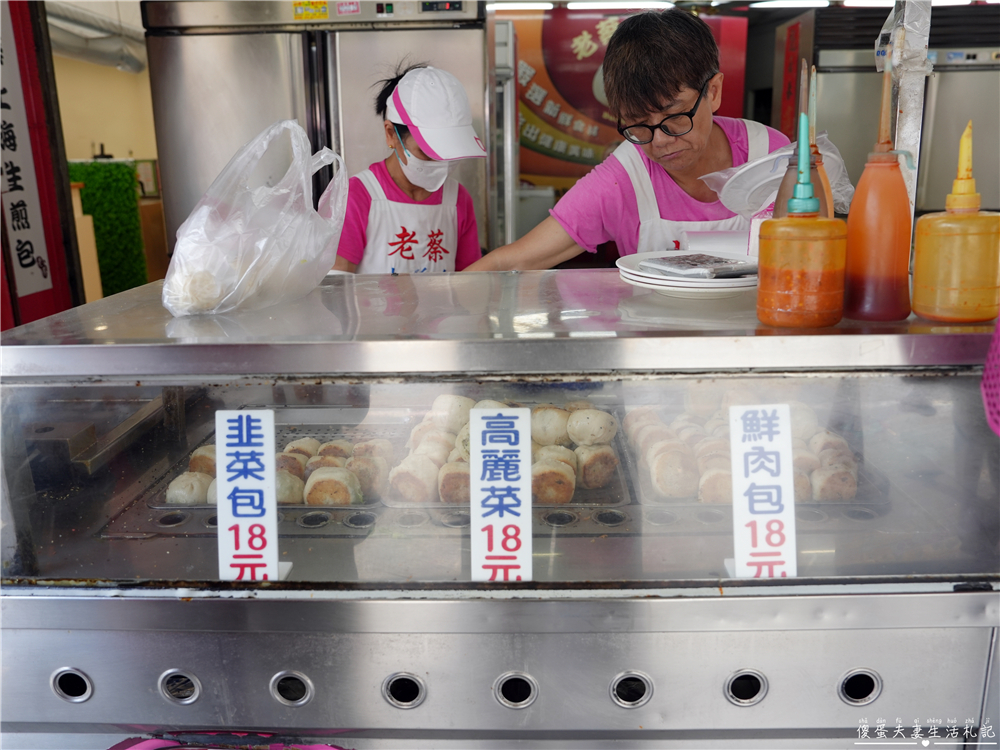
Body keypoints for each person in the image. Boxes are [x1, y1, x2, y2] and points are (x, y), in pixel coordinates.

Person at [463, 9, 790, 272]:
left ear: (713, 91)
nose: (660, 142)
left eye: (675, 117)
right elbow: (515, 260)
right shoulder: (623, 180)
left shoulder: (772, 157)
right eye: (638, 125)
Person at [327, 64, 486, 274]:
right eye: (427, 152)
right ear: (391, 134)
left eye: (448, 153)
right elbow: (337, 288)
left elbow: (470, 284)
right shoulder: (356, 197)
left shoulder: (458, 199)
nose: (439, 163)